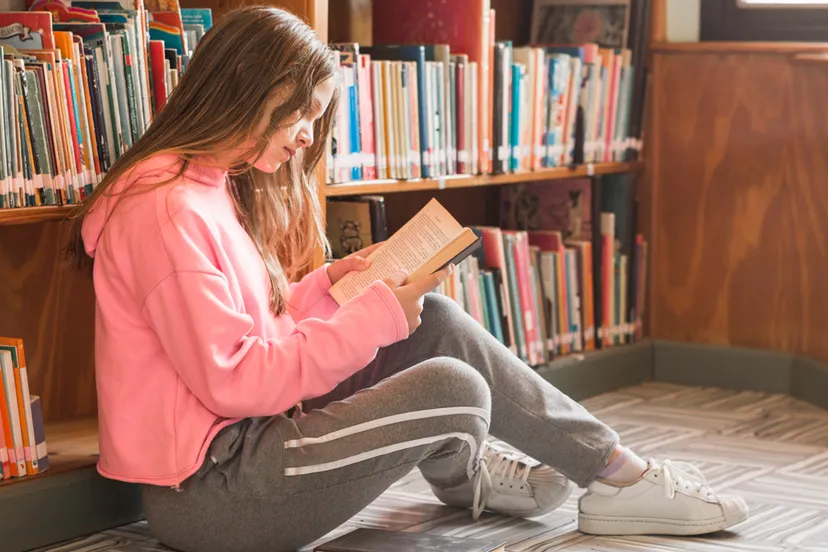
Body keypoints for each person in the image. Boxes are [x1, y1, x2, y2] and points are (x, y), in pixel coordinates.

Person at [67, 6, 748, 552]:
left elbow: (249, 333)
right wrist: (373, 315)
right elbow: (239, 382)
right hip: (217, 493)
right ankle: (479, 471)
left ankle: (616, 474)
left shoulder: (205, 187)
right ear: (248, 91)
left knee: (438, 324)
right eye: (300, 114)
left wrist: (337, 285)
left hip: (247, 451)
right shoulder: (166, 212)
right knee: (455, 390)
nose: (307, 136)